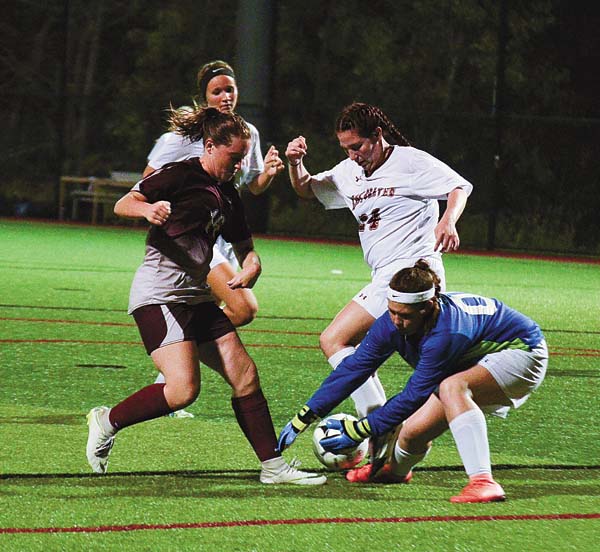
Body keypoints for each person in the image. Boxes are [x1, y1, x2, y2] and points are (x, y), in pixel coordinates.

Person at [86, 106, 325, 485]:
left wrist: (253, 265)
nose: (239, 165)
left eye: (243, 157)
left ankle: (273, 467)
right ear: (210, 146)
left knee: (245, 375)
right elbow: (124, 202)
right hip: (160, 296)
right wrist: (148, 209)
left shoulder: (228, 194)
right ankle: (107, 420)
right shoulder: (180, 174)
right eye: (234, 157)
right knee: (183, 390)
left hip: (196, 297)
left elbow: (246, 247)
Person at [285, 102, 472, 459]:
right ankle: (393, 433)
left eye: (358, 146)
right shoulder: (349, 171)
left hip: (412, 274)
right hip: (384, 275)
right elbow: (308, 189)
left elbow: (459, 187)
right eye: (346, 149)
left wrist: (448, 220)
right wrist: (296, 164)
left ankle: (380, 427)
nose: (353, 155)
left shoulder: (409, 161)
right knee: (433, 371)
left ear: (378, 136)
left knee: (335, 339)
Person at [278, 260, 548, 502]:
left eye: (405, 315)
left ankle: (483, 482)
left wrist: (359, 430)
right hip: (477, 358)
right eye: (392, 311)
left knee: (452, 387)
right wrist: (305, 416)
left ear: (428, 307)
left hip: (522, 351)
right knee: (411, 434)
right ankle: (394, 473)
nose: (396, 321)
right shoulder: (390, 322)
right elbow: (354, 369)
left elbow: (414, 395)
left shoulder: (447, 332)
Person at [144, 60, 285, 418]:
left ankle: (172, 376)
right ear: (204, 96)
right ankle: (174, 370)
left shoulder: (245, 133)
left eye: (230, 89)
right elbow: (148, 180)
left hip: (224, 240)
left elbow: (251, 185)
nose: (225, 96)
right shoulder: (183, 137)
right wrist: (164, 209)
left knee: (213, 312)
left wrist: (268, 173)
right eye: (217, 90)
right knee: (243, 308)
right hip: (194, 244)